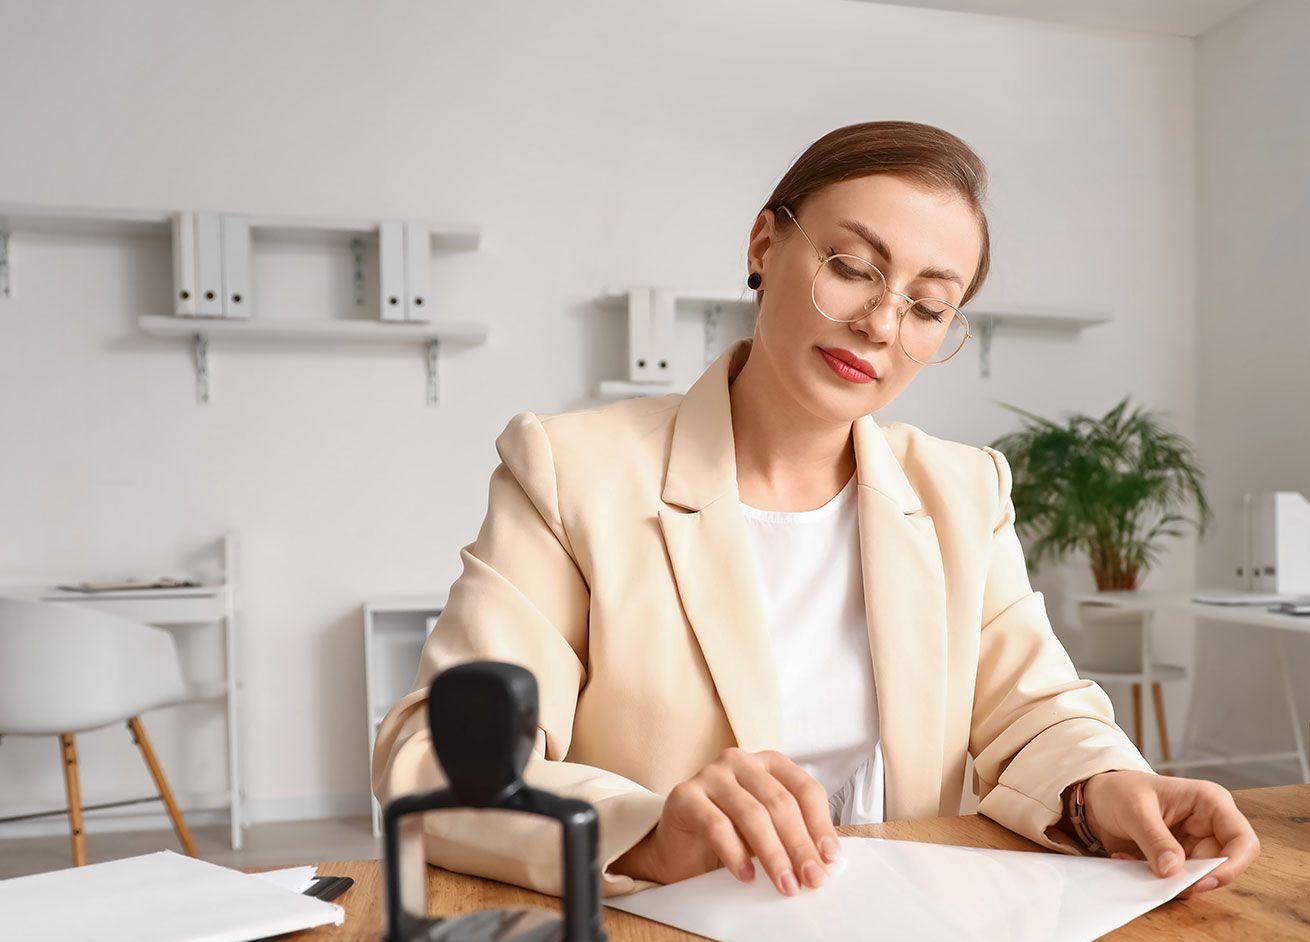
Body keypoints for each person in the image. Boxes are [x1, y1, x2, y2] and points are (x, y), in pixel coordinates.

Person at [370, 120, 1259, 902]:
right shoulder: (573, 472)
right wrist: (646, 831)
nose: (880, 323)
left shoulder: (962, 491)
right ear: (764, 246)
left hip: (904, 936)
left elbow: (1034, 710)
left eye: (929, 306)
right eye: (853, 268)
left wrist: (1103, 784)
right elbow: (435, 759)